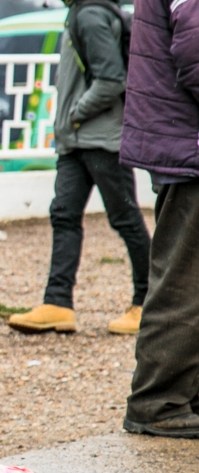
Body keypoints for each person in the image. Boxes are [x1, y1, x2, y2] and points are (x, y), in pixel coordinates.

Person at [7, 0, 150, 336]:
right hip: (77, 140)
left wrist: (74, 114)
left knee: (126, 219)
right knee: (64, 215)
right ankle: (57, 303)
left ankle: (149, 303)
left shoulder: (90, 15)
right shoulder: (83, 11)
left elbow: (112, 79)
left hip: (98, 138)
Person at [120, 0, 199, 437]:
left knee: (186, 280)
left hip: (180, 142)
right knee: (182, 284)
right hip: (189, 148)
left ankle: (179, 396)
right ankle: (158, 402)